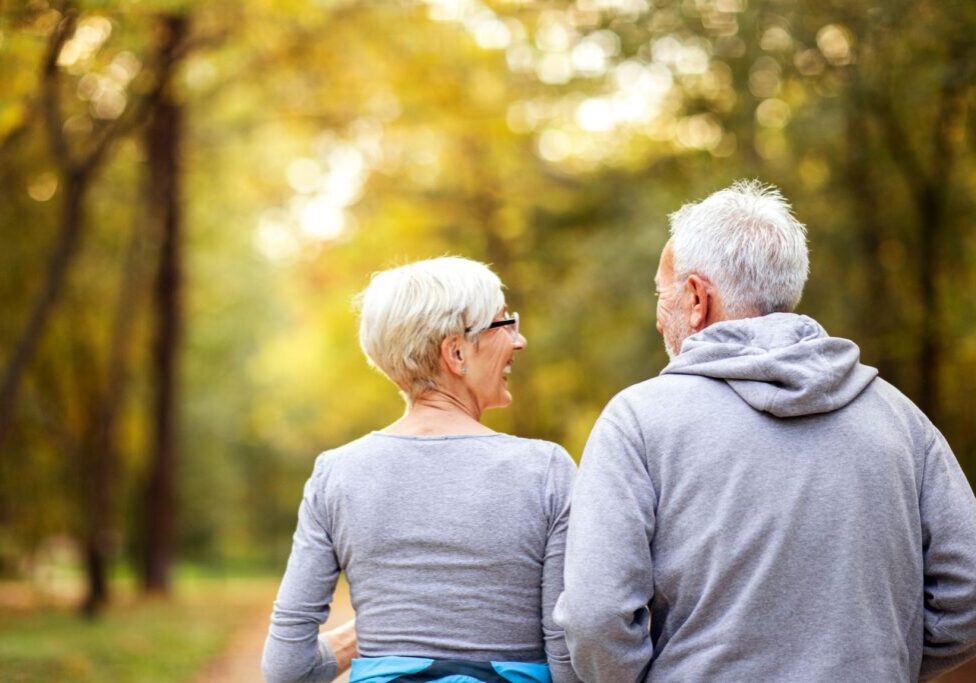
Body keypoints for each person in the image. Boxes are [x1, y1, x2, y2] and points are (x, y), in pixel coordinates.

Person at [554, 180, 976, 681]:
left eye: (659, 291)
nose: (656, 314)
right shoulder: (898, 417)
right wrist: (887, 660)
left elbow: (596, 616)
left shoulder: (638, 421)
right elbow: (967, 590)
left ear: (695, 298)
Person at [262, 256, 582, 683]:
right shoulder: (545, 470)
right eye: (504, 324)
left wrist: (388, 638)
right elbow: (569, 656)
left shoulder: (336, 474)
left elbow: (287, 669)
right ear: (456, 353)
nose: (518, 340)